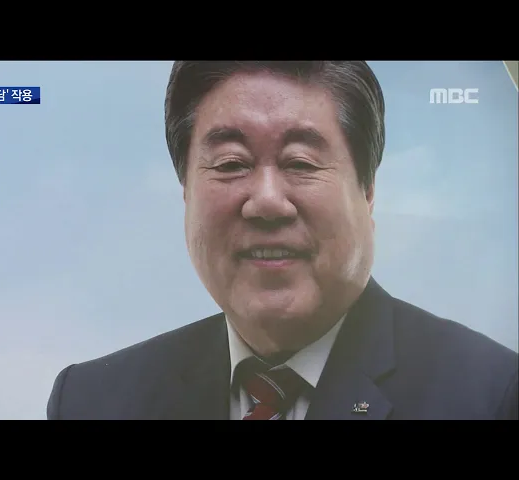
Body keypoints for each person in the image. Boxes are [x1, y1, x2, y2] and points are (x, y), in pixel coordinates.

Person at [47, 61, 518, 420]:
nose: (267, 202)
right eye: (231, 163)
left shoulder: (492, 395)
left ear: (368, 192)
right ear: (186, 192)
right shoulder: (92, 401)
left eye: (300, 163)